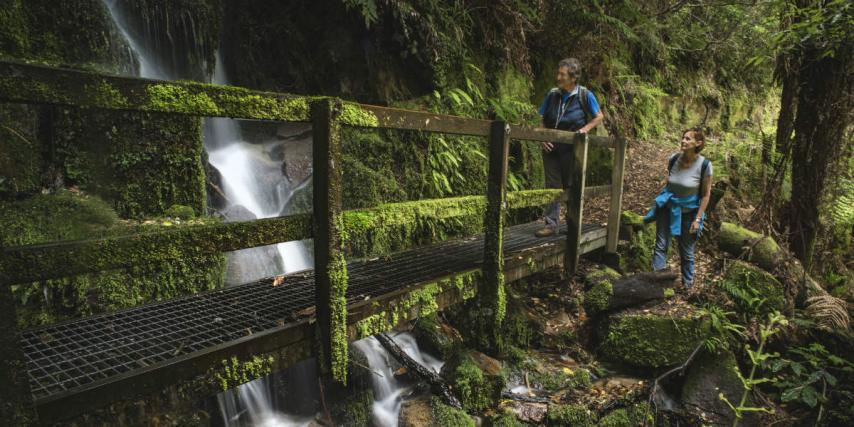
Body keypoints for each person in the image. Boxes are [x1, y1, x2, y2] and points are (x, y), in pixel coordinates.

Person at [535, 57, 604, 237]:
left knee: (570, 184)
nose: (558, 77)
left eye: (562, 74)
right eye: (558, 73)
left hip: (572, 149)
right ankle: (551, 225)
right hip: (550, 147)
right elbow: (541, 118)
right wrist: (542, 138)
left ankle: (573, 222)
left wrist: (584, 130)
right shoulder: (552, 94)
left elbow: (598, 116)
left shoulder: (584, 95)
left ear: (573, 78)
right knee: (552, 185)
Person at [644, 128, 713, 288]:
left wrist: (697, 219)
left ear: (699, 143)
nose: (683, 141)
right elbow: (670, 181)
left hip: (689, 214)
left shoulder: (705, 165)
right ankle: (657, 284)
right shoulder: (673, 158)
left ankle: (687, 285)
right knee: (661, 246)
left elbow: (705, 195)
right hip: (667, 208)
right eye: (683, 138)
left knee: (687, 252)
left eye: (688, 139)